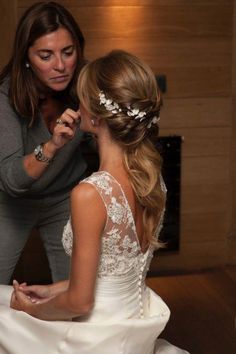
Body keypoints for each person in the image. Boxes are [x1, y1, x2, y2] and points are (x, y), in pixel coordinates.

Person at [0, 50, 189, 354]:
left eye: (83, 96)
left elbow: (80, 302)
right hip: (129, 324)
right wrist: (50, 289)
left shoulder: (91, 193)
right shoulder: (153, 181)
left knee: (4, 318)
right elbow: (114, 275)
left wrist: (30, 311)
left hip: (99, 337)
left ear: (96, 115)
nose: (77, 103)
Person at [0, 1, 88, 284]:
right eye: (46, 55)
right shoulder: (5, 97)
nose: (60, 66)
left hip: (65, 197)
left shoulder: (87, 85)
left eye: (68, 52)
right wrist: (53, 145)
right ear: (26, 57)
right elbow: (12, 180)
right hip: (12, 204)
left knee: (75, 288)